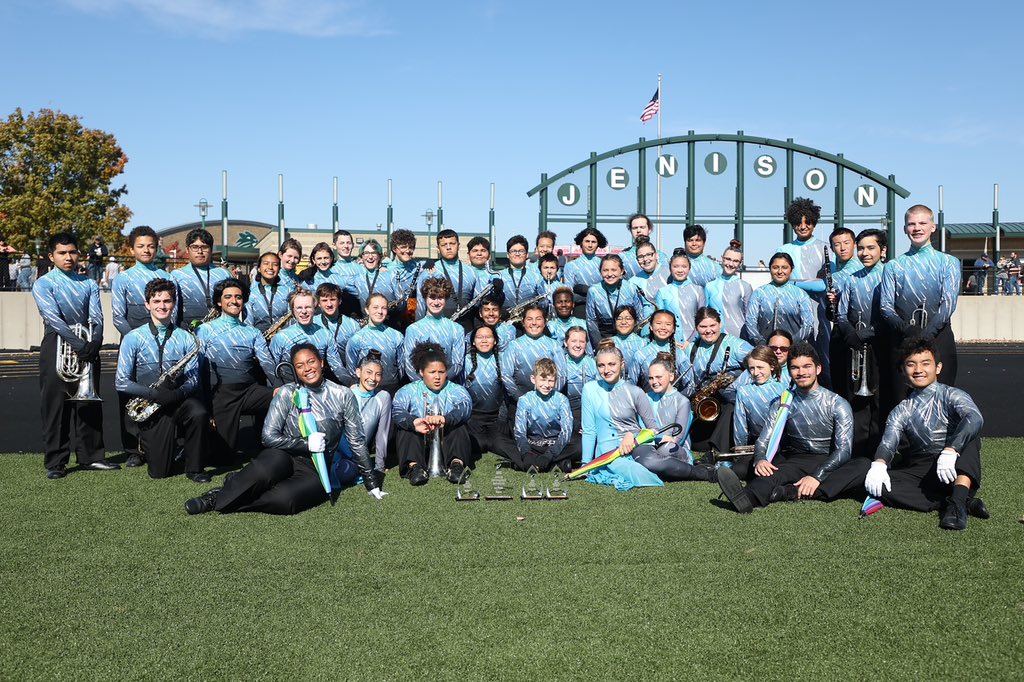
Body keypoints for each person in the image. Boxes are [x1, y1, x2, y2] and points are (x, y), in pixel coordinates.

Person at [184, 344, 387, 515]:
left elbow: (357, 441)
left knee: (286, 501)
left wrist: (372, 482)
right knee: (264, 471)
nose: (307, 368)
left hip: (316, 466)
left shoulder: (343, 394)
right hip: (283, 454)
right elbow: (268, 437)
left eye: (311, 362)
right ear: (295, 370)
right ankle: (213, 499)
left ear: (322, 363)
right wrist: (305, 443)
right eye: (300, 365)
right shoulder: (288, 392)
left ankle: (234, 488)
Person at [819, 339, 988, 530]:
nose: (918, 369)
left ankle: (957, 507)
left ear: (938, 367)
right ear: (903, 371)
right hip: (922, 469)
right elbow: (888, 443)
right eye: (911, 364)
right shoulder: (902, 410)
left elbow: (975, 418)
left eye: (926, 363)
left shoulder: (952, 395)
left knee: (971, 437)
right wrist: (879, 464)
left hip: (954, 464)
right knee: (875, 484)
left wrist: (951, 449)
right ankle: (956, 501)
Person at [716, 342, 852, 513]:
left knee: (862, 467)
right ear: (790, 371)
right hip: (797, 458)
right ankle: (746, 499)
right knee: (769, 475)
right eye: (795, 368)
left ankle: (790, 492)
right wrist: (760, 459)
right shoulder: (783, 401)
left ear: (818, 369)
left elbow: (844, 451)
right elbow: (764, 439)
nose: (801, 372)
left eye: (807, 367)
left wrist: (816, 476)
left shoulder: (838, 403)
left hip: (829, 458)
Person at [32, 232, 117, 478]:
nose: (68, 257)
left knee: (88, 403)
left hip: (88, 344)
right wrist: (77, 345)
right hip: (57, 344)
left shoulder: (88, 283)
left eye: (72, 252)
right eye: (62, 253)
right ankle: (56, 462)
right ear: (51, 256)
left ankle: (92, 456)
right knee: (56, 405)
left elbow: (97, 316)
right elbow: (53, 319)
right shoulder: (43, 283)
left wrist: (96, 341)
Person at [115, 278, 211, 482]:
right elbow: (121, 382)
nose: (162, 306)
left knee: (199, 412)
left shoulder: (186, 338)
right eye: (156, 301)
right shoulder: (133, 337)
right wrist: (153, 394)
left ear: (174, 304)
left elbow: (194, 380)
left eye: (167, 301)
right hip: (150, 403)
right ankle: (160, 449)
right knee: (160, 472)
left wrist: (176, 394)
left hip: (178, 399)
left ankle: (195, 468)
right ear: (147, 304)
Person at [880, 204, 961, 394]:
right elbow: (885, 306)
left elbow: (948, 304)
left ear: (933, 227)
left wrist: (926, 335)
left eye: (922, 223)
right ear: (904, 229)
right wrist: (907, 330)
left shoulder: (949, 262)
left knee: (941, 399)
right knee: (902, 403)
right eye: (911, 224)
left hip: (939, 339)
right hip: (903, 339)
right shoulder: (893, 266)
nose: (917, 228)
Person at [197, 278, 277, 463]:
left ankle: (267, 443)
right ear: (219, 301)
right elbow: (199, 370)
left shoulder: (253, 333)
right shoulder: (205, 330)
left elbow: (268, 365)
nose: (234, 301)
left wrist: (280, 388)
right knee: (223, 458)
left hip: (249, 390)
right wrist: (205, 405)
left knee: (282, 397)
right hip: (221, 393)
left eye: (238, 297)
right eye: (228, 297)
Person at [112, 226, 171, 466]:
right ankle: (134, 450)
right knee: (129, 396)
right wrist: (138, 341)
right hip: (132, 342)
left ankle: (162, 443)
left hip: (164, 341)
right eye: (141, 246)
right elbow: (118, 316)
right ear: (131, 248)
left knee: (161, 393)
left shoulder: (168, 276)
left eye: (151, 246)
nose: (146, 250)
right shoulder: (122, 278)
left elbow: (172, 312)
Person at [834, 229, 889, 457]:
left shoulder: (889, 274)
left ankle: (879, 449)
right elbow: (841, 313)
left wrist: (868, 333)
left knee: (880, 399)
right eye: (862, 248)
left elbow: (892, 311)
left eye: (871, 248)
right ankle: (855, 449)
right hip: (854, 345)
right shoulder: (851, 279)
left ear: (882, 250)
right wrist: (851, 334)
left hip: (881, 346)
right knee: (854, 398)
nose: (865, 253)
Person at [580, 340, 663, 491]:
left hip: (635, 447)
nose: (606, 370)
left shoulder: (635, 391)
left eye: (612, 364)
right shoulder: (589, 389)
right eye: (601, 365)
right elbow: (589, 430)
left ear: (622, 364)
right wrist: (586, 464)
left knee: (650, 469)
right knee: (639, 474)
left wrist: (632, 436)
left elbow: (653, 429)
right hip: (607, 453)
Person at [392, 342, 474, 486]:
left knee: (459, 426)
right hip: (419, 440)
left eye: (441, 372)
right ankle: (414, 467)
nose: (437, 377)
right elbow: (397, 411)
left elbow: (465, 407)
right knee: (405, 429)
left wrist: (446, 419)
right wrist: (414, 422)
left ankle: (456, 465)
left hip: (446, 441)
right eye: (432, 372)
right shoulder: (407, 390)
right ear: (421, 372)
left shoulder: (457, 389)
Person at [633, 352, 716, 482]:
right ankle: (663, 468)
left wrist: (660, 440)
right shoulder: (646, 397)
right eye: (651, 378)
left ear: (671, 376)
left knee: (665, 449)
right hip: (649, 444)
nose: (654, 382)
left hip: (672, 448)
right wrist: (657, 438)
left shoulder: (682, 401)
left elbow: (678, 438)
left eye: (658, 377)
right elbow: (641, 428)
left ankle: (683, 467)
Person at [681, 307, 752, 455]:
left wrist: (735, 384)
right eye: (703, 327)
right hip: (706, 402)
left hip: (731, 400)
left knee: (730, 408)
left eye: (712, 325)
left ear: (720, 324)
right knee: (698, 445)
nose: (708, 331)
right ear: (696, 328)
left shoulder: (736, 345)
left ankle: (721, 451)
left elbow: (760, 363)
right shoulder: (691, 350)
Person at [779, 198, 832, 386]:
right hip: (792, 311)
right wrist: (811, 283)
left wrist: (793, 282)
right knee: (794, 357)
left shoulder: (825, 247)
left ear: (814, 223)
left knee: (822, 357)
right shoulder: (784, 249)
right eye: (798, 223)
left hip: (820, 311)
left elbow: (826, 285)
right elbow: (779, 281)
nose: (802, 227)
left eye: (807, 222)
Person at [462, 325, 516, 464]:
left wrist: (502, 419)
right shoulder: (465, 361)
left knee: (501, 445)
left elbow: (508, 392)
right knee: (478, 444)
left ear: (495, 341)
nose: (484, 340)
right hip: (473, 418)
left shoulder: (503, 359)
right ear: (473, 341)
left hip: (495, 418)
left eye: (488, 337)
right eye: (480, 337)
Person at [511, 358, 576, 472]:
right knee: (506, 443)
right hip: (533, 445)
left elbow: (566, 432)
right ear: (533, 379)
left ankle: (532, 464)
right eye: (543, 380)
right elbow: (520, 431)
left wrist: (549, 455)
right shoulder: (525, 400)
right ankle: (556, 465)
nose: (546, 385)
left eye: (550, 381)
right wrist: (526, 453)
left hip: (555, 445)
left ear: (555, 381)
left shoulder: (562, 400)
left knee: (579, 446)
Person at [730, 345, 785, 479]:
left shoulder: (784, 389)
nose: (755, 372)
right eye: (752, 368)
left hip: (781, 444)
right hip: (756, 444)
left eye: (760, 367)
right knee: (740, 470)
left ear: (772, 366)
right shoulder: (743, 391)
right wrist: (740, 452)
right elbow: (740, 426)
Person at [268, 288, 346, 382]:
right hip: (290, 386)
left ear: (315, 308)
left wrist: (351, 383)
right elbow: (273, 369)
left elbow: (337, 367)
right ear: (293, 310)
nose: (304, 311)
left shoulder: (326, 334)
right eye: (299, 308)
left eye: (308, 307)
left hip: (317, 386)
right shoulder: (281, 337)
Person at [402, 277, 466, 382]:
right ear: (425, 298)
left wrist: (440, 381)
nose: (436, 302)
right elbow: (409, 365)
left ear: (446, 299)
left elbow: (457, 364)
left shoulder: (456, 329)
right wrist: (423, 385)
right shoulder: (413, 329)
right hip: (420, 387)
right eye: (432, 297)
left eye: (440, 298)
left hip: (447, 385)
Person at [744, 252, 816, 345]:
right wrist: (760, 342)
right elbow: (750, 321)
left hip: (792, 348)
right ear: (770, 269)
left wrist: (789, 343)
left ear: (791, 269)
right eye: (775, 267)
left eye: (784, 267)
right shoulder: (759, 293)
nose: (780, 271)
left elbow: (808, 325)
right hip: (764, 349)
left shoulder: (801, 294)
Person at [502, 304, 566, 408]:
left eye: (538, 319)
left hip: (549, 402)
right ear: (523, 322)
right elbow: (506, 375)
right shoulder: (514, 345)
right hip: (519, 401)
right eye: (529, 319)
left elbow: (562, 375)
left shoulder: (554, 345)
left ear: (545, 322)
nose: (534, 323)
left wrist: (550, 395)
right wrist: (520, 397)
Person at [417, 228, 482, 326]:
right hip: (436, 325)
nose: (448, 247)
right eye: (443, 245)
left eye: (452, 243)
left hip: (466, 325)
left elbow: (478, 304)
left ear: (458, 245)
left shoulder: (472, 272)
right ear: (438, 248)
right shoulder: (429, 271)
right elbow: (420, 305)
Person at [345, 293, 405, 395]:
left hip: (391, 389)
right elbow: (352, 369)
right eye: (375, 307)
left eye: (384, 308)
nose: (380, 312)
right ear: (367, 310)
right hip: (366, 390)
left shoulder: (396, 336)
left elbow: (401, 366)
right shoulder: (357, 339)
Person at [585, 254, 649, 350]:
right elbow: (591, 321)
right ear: (600, 272)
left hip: (629, 337)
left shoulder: (631, 288)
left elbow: (639, 317)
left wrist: (635, 340)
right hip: (604, 337)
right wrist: (599, 346)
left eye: (614, 270)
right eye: (605, 270)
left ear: (622, 271)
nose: (610, 274)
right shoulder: (594, 291)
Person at [171, 228, 230, 329]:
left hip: (219, 330)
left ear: (211, 249)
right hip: (187, 332)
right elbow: (173, 310)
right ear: (187, 249)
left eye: (204, 247)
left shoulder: (224, 274)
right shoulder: (176, 275)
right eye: (195, 247)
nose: (200, 251)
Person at [348, 350, 392, 473]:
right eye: (369, 372)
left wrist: (379, 466)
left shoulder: (383, 397)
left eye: (378, 374)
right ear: (358, 372)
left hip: (359, 458)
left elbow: (382, 433)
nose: (373, 378)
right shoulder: (346, 394)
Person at [627, 309, 690, 389]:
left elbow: (689, 386)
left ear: (673, 329)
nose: (663, 327)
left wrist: (676, 398)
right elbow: (631, 386)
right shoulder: (640, 355)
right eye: (658, 323)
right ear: (651, 327)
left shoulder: (681, 355)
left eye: (668, 324)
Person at [655, 249, 706, 343]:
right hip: (670, 343)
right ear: (670, 269)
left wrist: (689, 341)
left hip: (694, 343)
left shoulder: (698, 290)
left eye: (684, 266)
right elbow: (660, 322)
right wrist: (672, 342)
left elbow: (702, 320)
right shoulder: (662, 292)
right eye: (675, 266)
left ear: (689, 268)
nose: (680, 270)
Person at [314, 282, 361, 383]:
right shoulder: (313, 323)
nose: (329, 304)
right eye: (324, 300)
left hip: (346, 376)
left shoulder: (353, 325)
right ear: (318, 303)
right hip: (318, 377)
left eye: (333, 300)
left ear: (339, 301)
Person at [704, 243, 751, 339]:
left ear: (740, 263)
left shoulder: (745, 286)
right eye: (728, 259)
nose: (730, 264)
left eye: (735, 261)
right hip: (714, 337)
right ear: (722, 258)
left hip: (738, 337)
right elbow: (704, 315)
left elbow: (750, 317)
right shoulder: (709, 286)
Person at [562, 326, 596, 458]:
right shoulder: (559, 362)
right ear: (566, 342)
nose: (578, 345)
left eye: (581, 342)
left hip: (587, 410)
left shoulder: (592, 363)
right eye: (574, 341)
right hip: (565, 410)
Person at [342, 238, 400, 312]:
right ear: (361, 257)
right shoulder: (355, 278)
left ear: (379, 257)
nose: (370, 257)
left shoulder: (391, 275)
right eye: (366, 253)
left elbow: (401, 304)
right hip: (363, 321)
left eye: (374, 253)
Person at [562, 227, 606, 317]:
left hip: (601, 308)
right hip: (580, 309)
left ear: (598, 244)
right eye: (587, 241)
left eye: (593, 242)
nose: (590, 245)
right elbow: (568, 292)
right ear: (581, 242)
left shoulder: (604, 264)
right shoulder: (570, 266)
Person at [244, 252, 293, 334]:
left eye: (275, 264)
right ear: (259, 268)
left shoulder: (288, 291)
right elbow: (248, 323)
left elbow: (291, 320)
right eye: (266, 263)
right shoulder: (251, 294)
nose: (270, 267)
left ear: (279, 269)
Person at [499, 235, 546, 314]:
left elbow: (544, 303)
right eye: (513, 251)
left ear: (527, 254)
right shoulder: (498, 276)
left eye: (521, 251)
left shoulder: (537, 277)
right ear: (507, 254)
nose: (517, 254)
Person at [620, 214, 670, 278]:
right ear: (630, 231)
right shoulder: (623, 258)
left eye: (642, 227)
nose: (638, 231)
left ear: (649, 230)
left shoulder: (662, 257)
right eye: (635, 228)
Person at [627, 236, 671, 303]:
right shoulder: (633, 282)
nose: (645, 259)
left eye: (649, 254)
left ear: (656, 255)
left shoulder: (670, 273)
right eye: (641, 257)